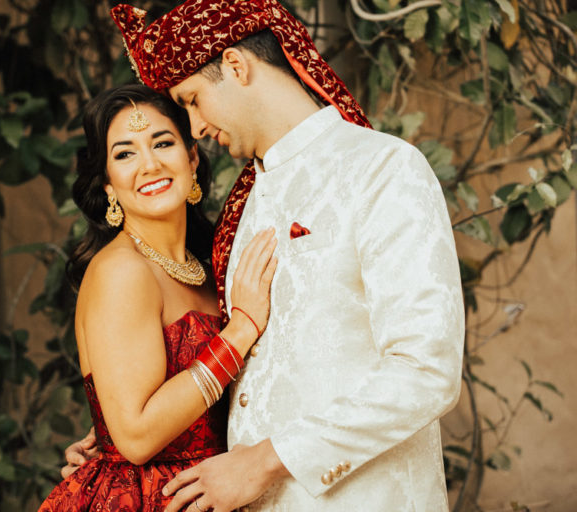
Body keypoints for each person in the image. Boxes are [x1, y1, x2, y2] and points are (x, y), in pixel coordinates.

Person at [99, 1, 465, 511]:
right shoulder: (242, 207)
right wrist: (116, 444)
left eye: (193, 100)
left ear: (235, 66)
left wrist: (268, 460)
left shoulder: (382, 169)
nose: (196, 127)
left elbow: (427, 371)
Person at [38, 84, 278, 511]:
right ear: (108, 184)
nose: (149, 164)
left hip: (216, 489)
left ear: (191, 158)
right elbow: (135, 438)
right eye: (125, 153)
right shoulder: (121, 271)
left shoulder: (208, 266)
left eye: (163, 143)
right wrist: (240, 331)